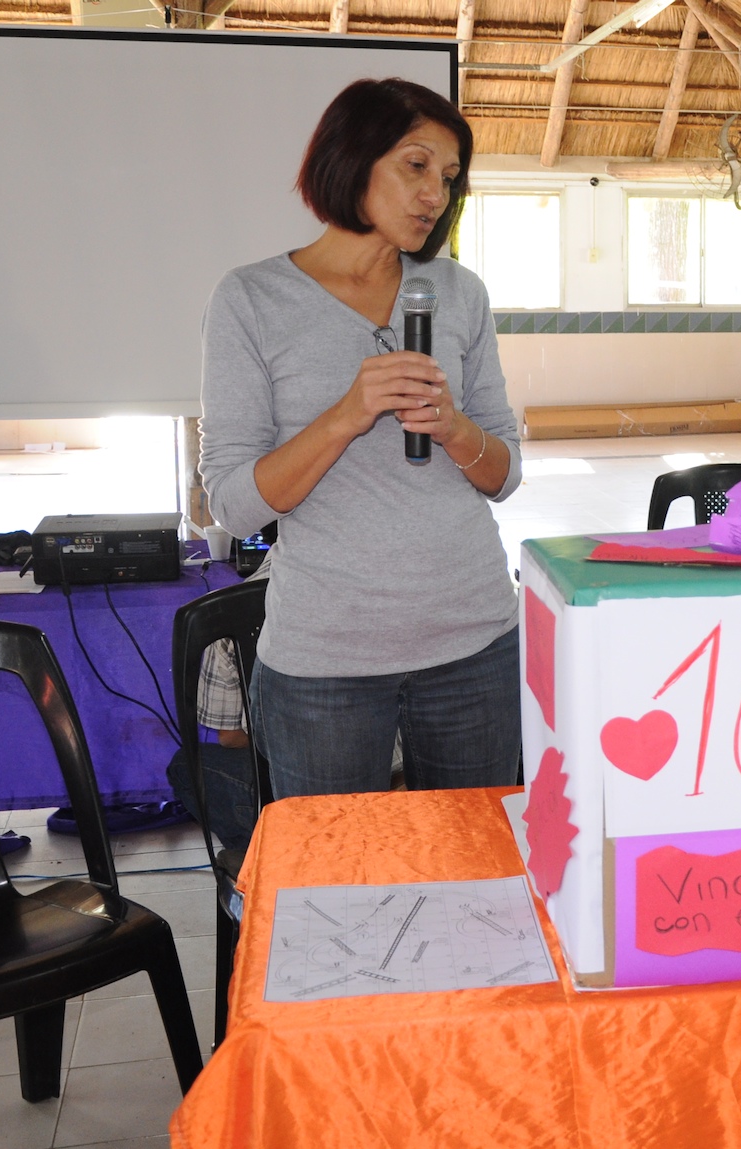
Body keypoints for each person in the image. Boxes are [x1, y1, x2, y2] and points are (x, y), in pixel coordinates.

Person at [199, 78, 522, 799]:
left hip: (476, 644)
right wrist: (346, 415)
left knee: (474, 861)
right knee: (337, 870)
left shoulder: (459, 292)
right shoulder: (250, 299)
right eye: (416, 165)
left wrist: (454, 428)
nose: (435, 194)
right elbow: (233, 504)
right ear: (351, 158)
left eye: (449, 177)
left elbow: (504, 474)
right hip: (325, 667)